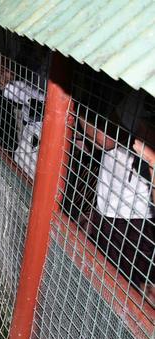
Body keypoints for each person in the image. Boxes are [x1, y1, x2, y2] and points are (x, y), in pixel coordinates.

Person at [80, 90, 155, 305]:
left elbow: (103, 139)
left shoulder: (140, 95)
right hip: (116, 210)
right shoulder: (137, 94)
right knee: (109, 287)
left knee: (124, 295)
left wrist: (77, 102)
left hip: (132, 217)